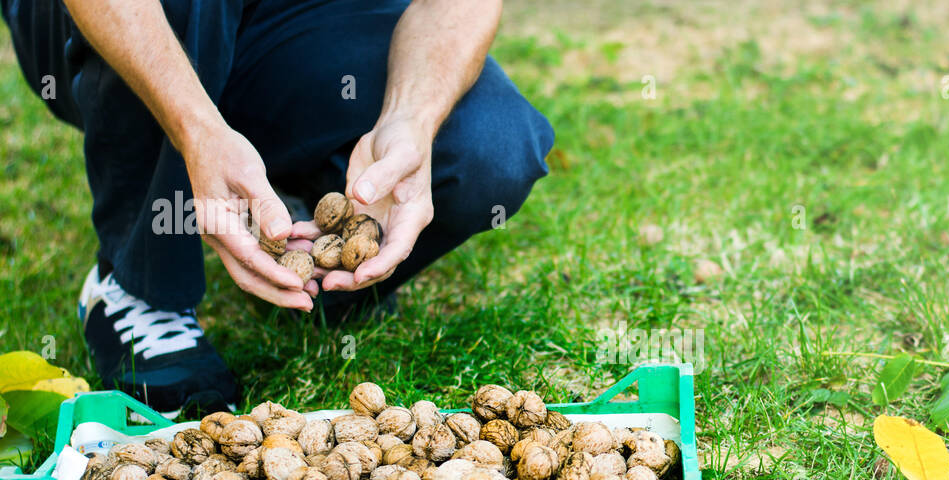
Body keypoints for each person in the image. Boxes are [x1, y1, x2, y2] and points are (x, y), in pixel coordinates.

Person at [2, 0, 554, 415]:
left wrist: (409, 117)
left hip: (290, 23)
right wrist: (196, 129)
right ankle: (136, 280)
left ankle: (309, 270)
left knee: (492, 145)